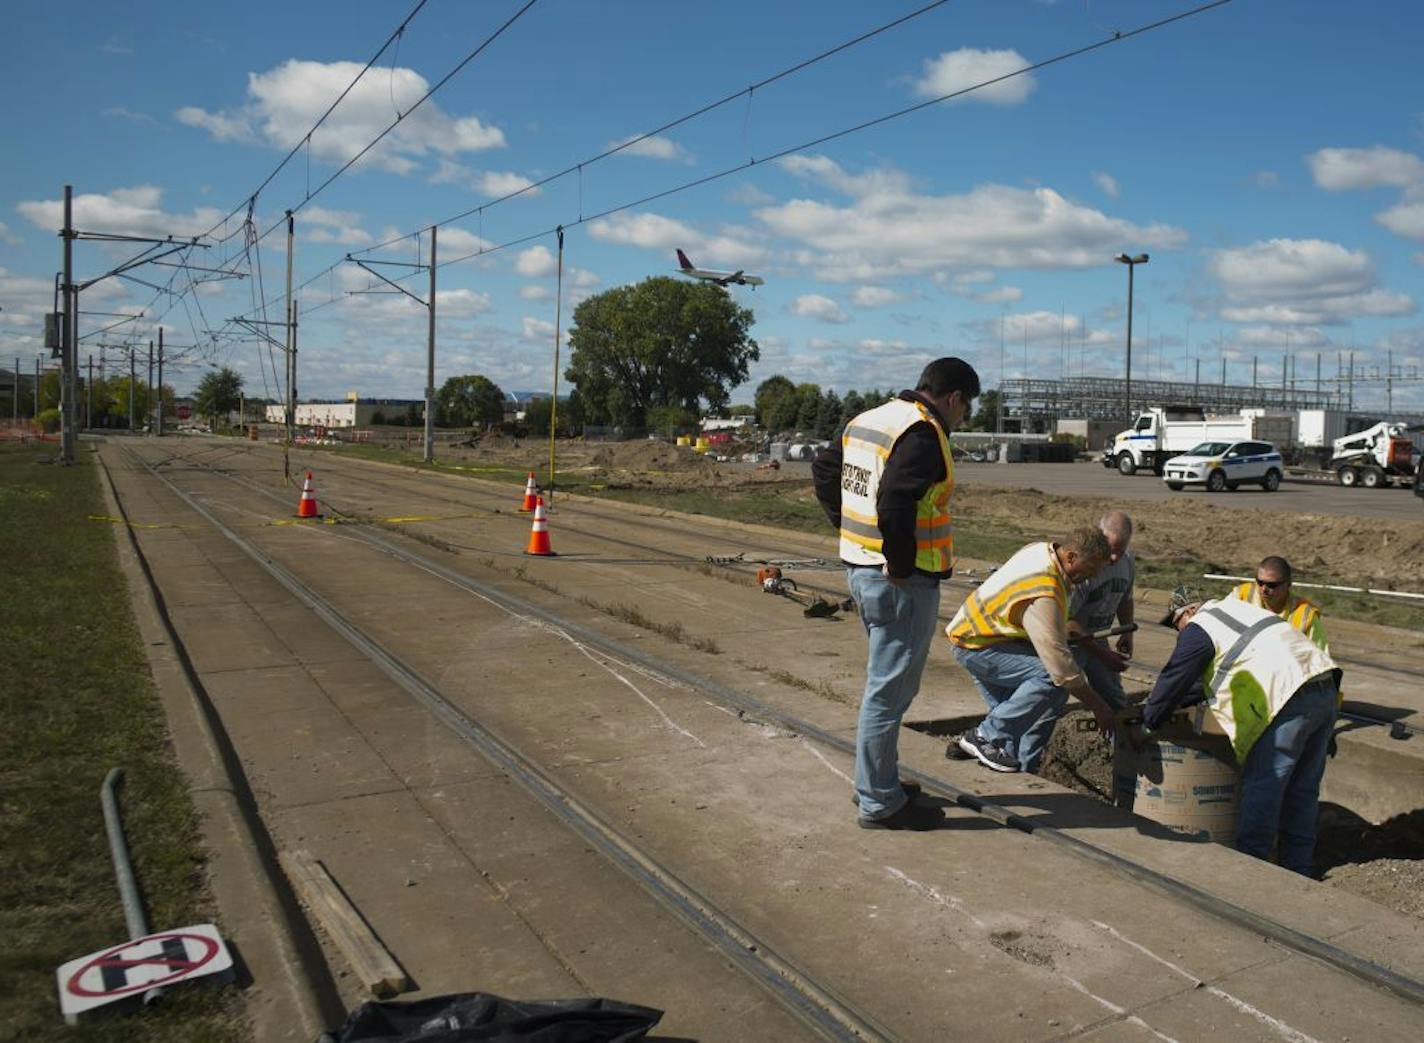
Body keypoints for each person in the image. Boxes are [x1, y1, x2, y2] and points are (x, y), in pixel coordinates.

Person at [812, 357, 980, 830]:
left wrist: (845, 527)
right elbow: (895, 500)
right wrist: (901, 563)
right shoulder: (923, 433)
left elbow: (825, 467)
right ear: (953, 399)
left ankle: (878, 781)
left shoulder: (869, 418)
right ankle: (879, 801)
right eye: (965, 410)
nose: (962, 419)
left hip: (862, 569)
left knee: (886, 687)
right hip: (901, 582)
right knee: (888, 693)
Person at [1135, 584, 1342, 876]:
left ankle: (1251, 871)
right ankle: (1299, 870)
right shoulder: (1239, 611)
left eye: (1175, 623)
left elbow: (1175, 677)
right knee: (1303, 791)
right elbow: (1196, 684)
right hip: (1323, 689)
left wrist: (1148, 722)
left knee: (1263, 787)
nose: (1178, 632)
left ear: (1190, 610)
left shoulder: (1201, 625)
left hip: (1288, 699)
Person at [945, 527, 1119, 773]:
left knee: (1014, 722)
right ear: (1071, 557)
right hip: (981, 647)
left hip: (981, 637)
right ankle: (983, 736)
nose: (1092, 576)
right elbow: (1060, 670)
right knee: (1053, 681)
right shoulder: (1045, 590)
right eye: (1090, 568)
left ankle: (994, 753)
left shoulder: (1040, 550)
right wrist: (1099, 706)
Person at [1066, 511, 1137, 711]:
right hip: (1071, 644)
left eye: (1120, 551)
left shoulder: (1128, 562)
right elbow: (1067, 623)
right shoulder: (1085, 568)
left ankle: (1123, 739)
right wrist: (1104, 655)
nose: (1114, 558)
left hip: (1098, 639)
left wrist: (1126, 632)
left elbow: (1125, 599)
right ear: (1100, 537)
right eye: (1111, 550)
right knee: (1052, 698)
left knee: (1115, 699)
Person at [1230, 556, 1328, 653]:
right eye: (1260, 582)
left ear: (1288, 584)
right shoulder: (1240, 596)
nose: (1264, 589)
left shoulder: (1306, 616)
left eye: (1271, 585)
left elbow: (1319, 660)